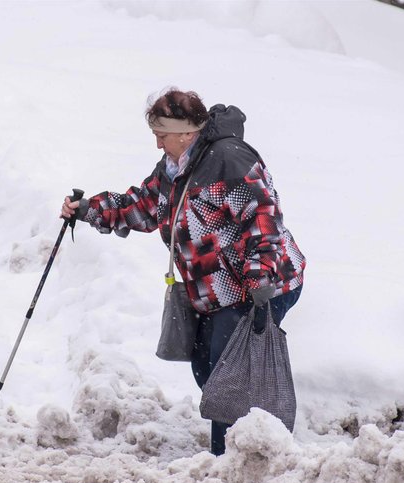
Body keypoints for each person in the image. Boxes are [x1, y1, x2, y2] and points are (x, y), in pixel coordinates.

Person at [61, 88, 305, 455]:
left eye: (162, 136)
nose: (158, 145)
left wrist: (260, 277)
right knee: (206, 365)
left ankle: (231, 459)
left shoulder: (229, 161)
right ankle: (241, 445)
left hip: (259, 284)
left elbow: (262, 219)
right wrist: (89, 209)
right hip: (214, 290)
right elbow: (142, 206)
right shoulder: (175, 170)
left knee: (229, 373)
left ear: (187, 134)